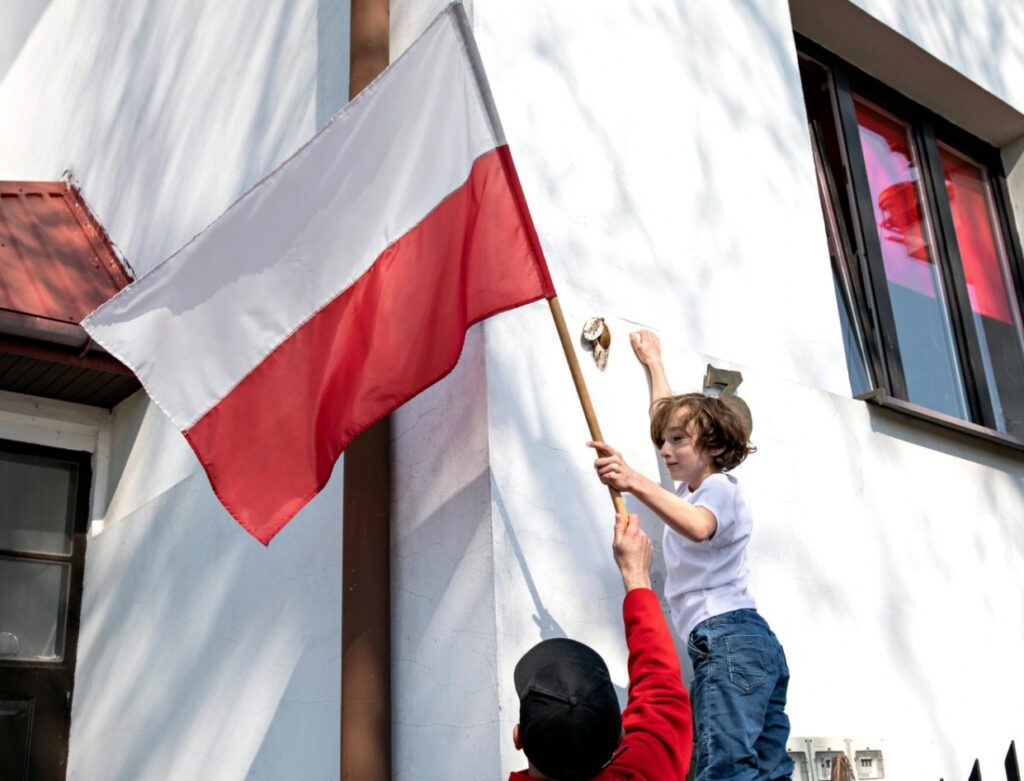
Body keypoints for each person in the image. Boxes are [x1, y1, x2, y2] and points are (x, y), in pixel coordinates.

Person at [588, 329, 792, 781]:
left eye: (678, 442)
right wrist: (654, 364)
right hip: (744, 644)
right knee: (766, 768)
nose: (665, 450)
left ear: (714, 448)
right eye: (664, 441)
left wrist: (632, 479)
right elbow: (664, 416)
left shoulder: (720, 489)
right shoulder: (690, 489)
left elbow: (698, 527)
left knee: (722, 767)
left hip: (729, 640)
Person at [508, 513, 692, 780]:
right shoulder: (647, 769)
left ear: (518, 737)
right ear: (620, 736)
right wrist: (636, 577)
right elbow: (661, 685)